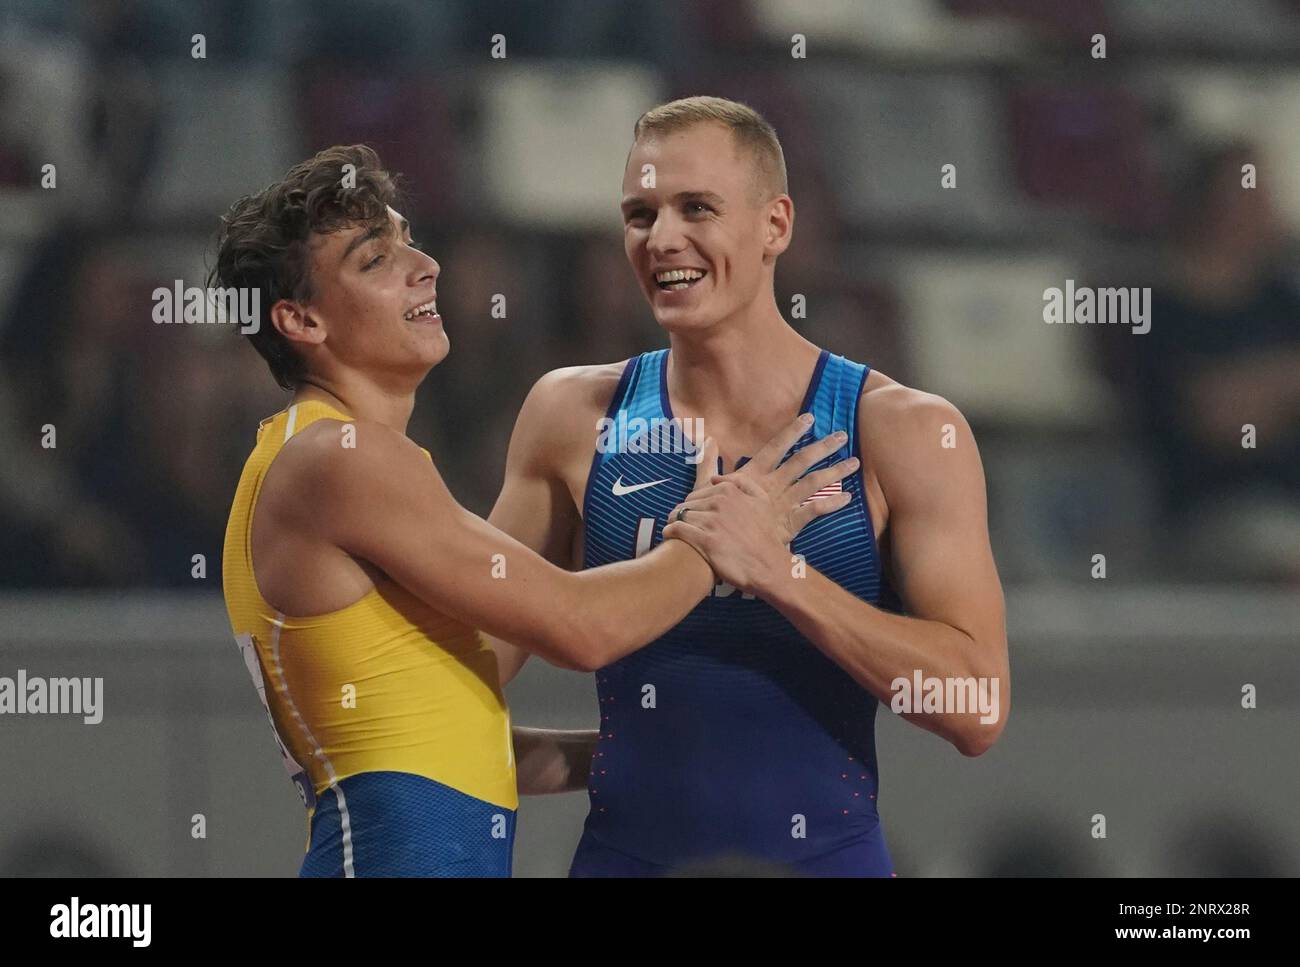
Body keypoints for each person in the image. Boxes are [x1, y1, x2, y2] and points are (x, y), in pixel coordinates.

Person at [214, 144, 855, 877]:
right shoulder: (337, 457)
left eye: (408, 239)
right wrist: (728, 530)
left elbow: (454, 741)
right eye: (375, 260)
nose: (425, 266)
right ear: (302, 321)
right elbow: (582, 627)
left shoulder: (318, 458)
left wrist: (630, 748)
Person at [486, 97, 1010, 876]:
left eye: (696, 207)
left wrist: (780, 572)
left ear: (776, 225)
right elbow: (459, 676)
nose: (663, 238)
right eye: (639, 213)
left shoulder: (900, 430)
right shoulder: (572, 417)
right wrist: (586, 756)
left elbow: (978, 708)